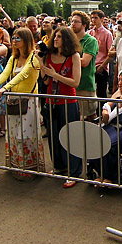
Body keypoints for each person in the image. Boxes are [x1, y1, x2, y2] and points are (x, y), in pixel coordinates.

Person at [0, 27, 45, 180]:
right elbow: (5, 73)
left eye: (18, 38)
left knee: (25, 135)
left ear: (26, 40)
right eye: (13, 37)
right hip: (13, 100)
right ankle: (16, 165)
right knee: (13, 134)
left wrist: (4, 88)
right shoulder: (13, 58)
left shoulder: (34, 56)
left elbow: (24, 74)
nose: (14, 41)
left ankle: (30, 168)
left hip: (28, 102)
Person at [39, 27, 82, 187]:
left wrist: (55, 75)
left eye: (59, 37)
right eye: (54, 36)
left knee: (70, 137)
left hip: (68, 101)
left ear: (67, 39)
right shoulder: (48, 56)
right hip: (51, 101)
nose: (54, 39)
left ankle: (74, 171)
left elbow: (75, 82)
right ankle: (59, 166)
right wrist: (41, 62)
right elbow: (45, 80)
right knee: (53, 135)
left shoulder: (74, 56)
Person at [69, 11, 99, 123]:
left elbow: (85, 62)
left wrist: (67, 59)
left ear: (84, 25)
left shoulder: (90, 41)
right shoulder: (70, 41)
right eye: (72, 21)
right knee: (73, 118)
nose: (73, 24)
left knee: (91, 116)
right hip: (70, 84)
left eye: (76, 21)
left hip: (85, 84)